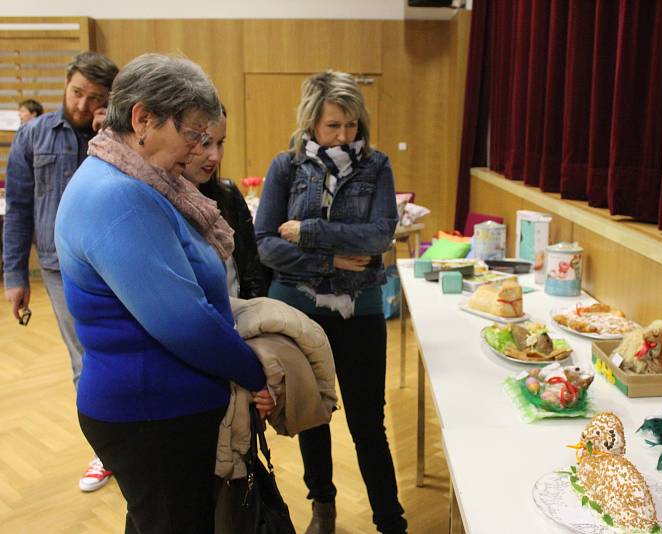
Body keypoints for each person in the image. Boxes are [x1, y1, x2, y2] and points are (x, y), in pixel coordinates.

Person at [54, 53, 274, 534]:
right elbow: (183, 321)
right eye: (194, 135)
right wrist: (255, 373)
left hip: (160, 407)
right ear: (142, 119)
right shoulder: (119, 196)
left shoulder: (142, 181)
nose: (203, 151)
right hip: (150, 413)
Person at [255, 70, 407, 534]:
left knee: (368, 421)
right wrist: (335, 259)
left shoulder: (377, 165)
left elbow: (381, 234)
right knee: (312, 414)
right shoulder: (286, 167)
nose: (344, 135)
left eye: (351, 125)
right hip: (300, 311)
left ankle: (390, 520)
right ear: (311, 125)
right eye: (333, 126)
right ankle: (323, 507)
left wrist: (310, 233)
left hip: (360, 310)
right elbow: (265, 243)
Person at [3, 51, 118, 492]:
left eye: (96, 98)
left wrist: (110, 131)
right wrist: (15, 278)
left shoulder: (120, 133)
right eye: (77, 93)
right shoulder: (32, 136)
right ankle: (106, 450)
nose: (83, 105)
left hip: (114, 258)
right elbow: (18, 211)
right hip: (57, 265)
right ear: (65, 86)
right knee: (83, 360)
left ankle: (132, 439)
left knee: (122, 348)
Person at [183, 105, 270, 298]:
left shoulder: (228, 195)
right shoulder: (158, 200)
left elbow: (252, 273)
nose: (215, 156)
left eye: (220, 143)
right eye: (205, 143)